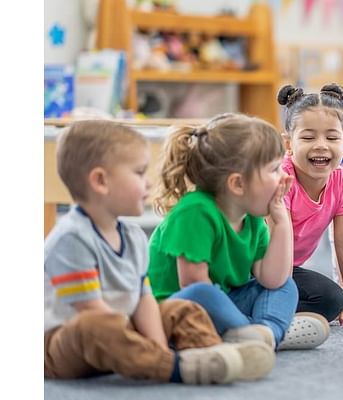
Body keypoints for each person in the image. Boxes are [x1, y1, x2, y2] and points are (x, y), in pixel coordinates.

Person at [45, 120, 272, 384]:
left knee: (181, 309)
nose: (148, 182)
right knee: (96, 325)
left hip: (124, 328)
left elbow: (144, 299)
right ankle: (177, 367)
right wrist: (155, 352)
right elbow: (90, 309)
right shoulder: (71, 238)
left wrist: (158, 344)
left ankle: (214, 354)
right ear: (100, 181)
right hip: (63, 346)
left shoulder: (132, 236)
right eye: (140, 173)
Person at [147, 113, 330, 353]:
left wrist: (282, 222)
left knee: (285, 286)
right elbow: (192, 284)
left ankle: (264, 333)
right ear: (238, 184)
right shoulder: (195, 211)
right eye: (274, 169)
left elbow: (272, 279)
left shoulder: (252, 216)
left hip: (225, 304)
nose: (285, 176)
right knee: (202, 291)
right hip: (179, 312)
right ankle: (258, 332)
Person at [277, 83, 343, 327]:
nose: (321, 145)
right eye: (308, 137)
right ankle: (262, 311)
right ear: (289, 144)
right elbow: (277, 241)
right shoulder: (280, 177)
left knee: (332, 299)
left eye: (331, 137)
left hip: (286, 269)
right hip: (253, 263)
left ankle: (263, 307)